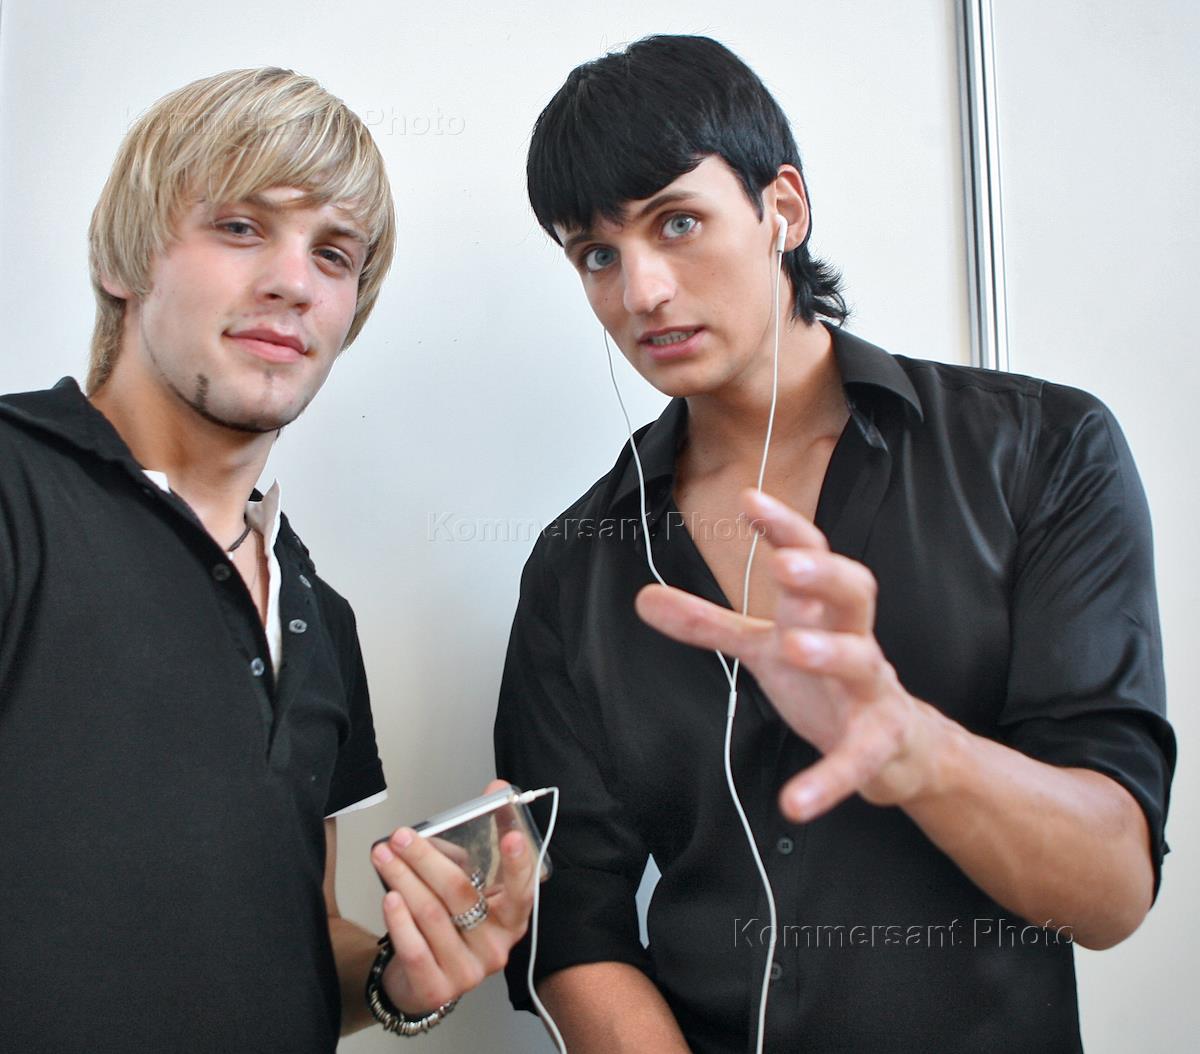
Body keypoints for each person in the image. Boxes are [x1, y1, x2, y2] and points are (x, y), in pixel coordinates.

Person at [494, 34, 1175, 1054]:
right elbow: (569, 914)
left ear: (784, 208)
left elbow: (1113, 890)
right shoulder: (576, 563)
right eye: (597, 254)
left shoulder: (1042, 451)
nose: (641, 292)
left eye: (677, 222)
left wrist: (915, 749)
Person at [0, 68, 533, 1053]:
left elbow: (296, 937)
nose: (295, 281)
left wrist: (404, 975)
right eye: (242, 226)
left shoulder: (317, 612)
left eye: (334, 253)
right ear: (123, 261)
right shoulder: (14, 490)